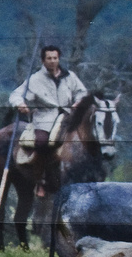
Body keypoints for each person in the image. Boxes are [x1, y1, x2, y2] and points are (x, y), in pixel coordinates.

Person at [7, 45, 89, 187]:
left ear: (59, 59)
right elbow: (16, 94)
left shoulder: (69, 76)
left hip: (67, 117)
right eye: (49, 58)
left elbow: (82, 92)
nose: (52, 61)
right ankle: (41, 179)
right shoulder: (35, 79)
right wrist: (20, 104)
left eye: (55, 58)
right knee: (41, 142)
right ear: (43, 60)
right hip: (45, 119)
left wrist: (79, 101)